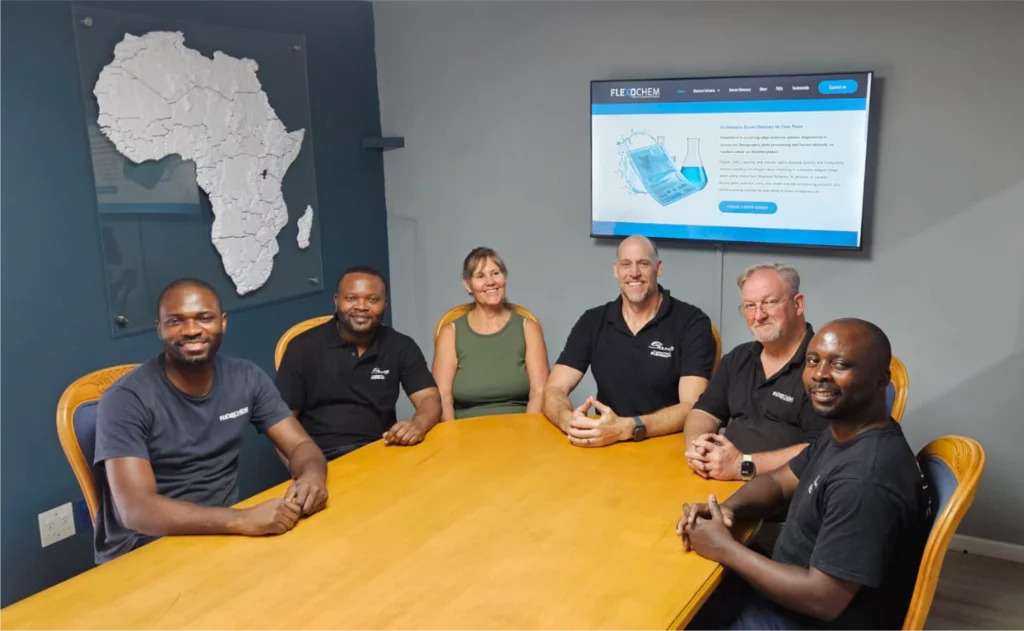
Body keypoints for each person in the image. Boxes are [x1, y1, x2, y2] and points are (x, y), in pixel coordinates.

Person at [678, 319, 932, 630]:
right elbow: (779, 481)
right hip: (786, 588)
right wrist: (727, 509)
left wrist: (725, 548)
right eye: (813, 361)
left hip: (805, 617)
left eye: (839, 364)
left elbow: (823, 599)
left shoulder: (866, 478)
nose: (820, 374)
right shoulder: (842, 433)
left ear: (881, 380)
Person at [94, 278, 329, 564]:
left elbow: (300, 444)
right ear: (159, 328)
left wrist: (312, 477)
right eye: (175, 321)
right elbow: (137, 511)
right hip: (146, 548)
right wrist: (241, 520)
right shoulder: (125, 399)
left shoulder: (246, 377)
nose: (192, 330)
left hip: (222, 534)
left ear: (223, 322)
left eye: (204, 318)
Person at [543, 235, 715, 447]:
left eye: (643, 264)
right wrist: (568, 421)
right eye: (626, 264)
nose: (634, 273)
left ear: (658, 268)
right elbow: (554, 389)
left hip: (666, 444)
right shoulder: (593, 320)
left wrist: (627, 428)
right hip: (605, 444)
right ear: (616, 270)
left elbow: (692, 406)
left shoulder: (691, 322)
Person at [276, 266, 442, 459]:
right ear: (336, 301)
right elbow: (281, 423)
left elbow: (430, 399)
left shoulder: (401, 345)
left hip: (383, 449)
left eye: (372, 299)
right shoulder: (303, 347)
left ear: (385, 303)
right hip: (321, 457)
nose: (361, 306)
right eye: (351, 298)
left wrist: (418, 425)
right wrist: (303, 471)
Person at [683, 264, 829, 482]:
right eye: (749, 306)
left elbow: (821, 450)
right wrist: (699, 449)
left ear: (797, 304)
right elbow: (703, 413)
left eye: (769, 302)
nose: (758, 315)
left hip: (781, 497)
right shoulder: (738, 358)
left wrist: (742, 464)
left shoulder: (822, 368)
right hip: (719, 481)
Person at [432, 247, 550, 420]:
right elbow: (443, 397)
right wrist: (451, 439)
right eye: (480, 276)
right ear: (468, 285)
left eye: (495, 273)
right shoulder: (450, 332)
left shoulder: (528, 328)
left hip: (520, 431)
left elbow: (539, 392)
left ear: (505, 278)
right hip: (465, 435)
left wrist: (528, 436)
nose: (490, 282)